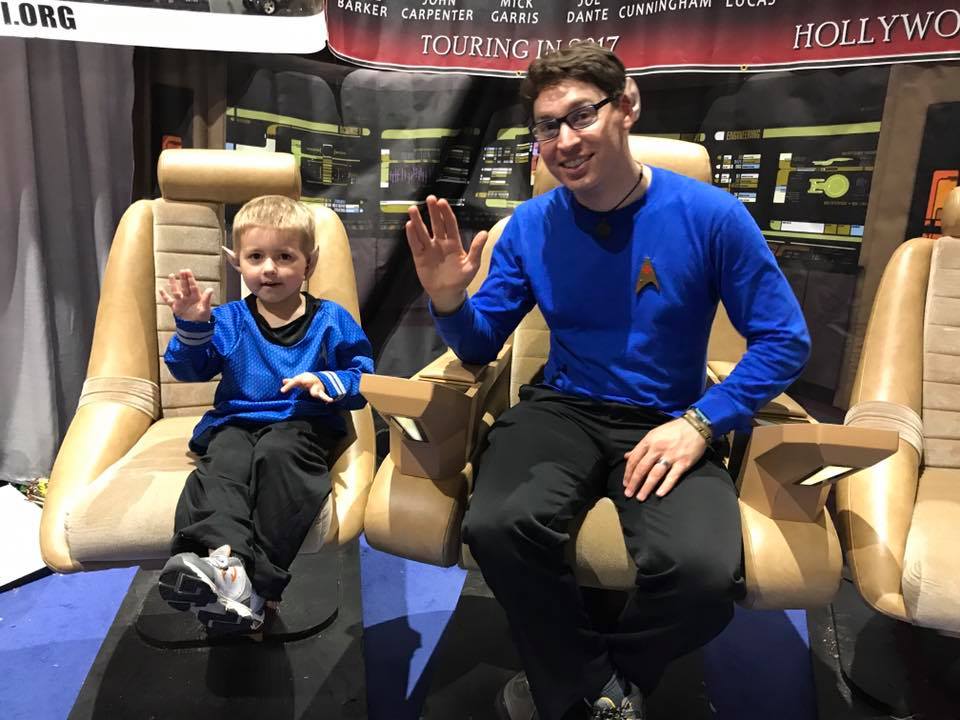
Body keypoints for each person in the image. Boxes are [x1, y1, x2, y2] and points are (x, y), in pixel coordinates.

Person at [405, 44, 810, 720]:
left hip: (671, 417)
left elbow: (785, 339)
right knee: (499, 525)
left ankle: (596, 681)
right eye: (545, 126)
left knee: (705, 573)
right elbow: (479, 343)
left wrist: (702, 422)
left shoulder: (712, 216)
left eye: (580, 116)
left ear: (626, 107)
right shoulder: (530, 226)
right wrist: (449, 300)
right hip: (562, 407)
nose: (563, 141)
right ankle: (598, 692)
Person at [157, 194, 373, 633]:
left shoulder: (332, 319)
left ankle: (259, 585)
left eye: (284, 256)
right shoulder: (229, 319)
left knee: (279, 454)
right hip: (235, 421)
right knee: (224, 463)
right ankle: (225, 567)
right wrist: (193, 327)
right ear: (237, 262)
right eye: (256, 256)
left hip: (303, 423)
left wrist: (327, 381)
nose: (269, 268)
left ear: (308, 264)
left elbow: (361, 379)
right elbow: (190, 369)